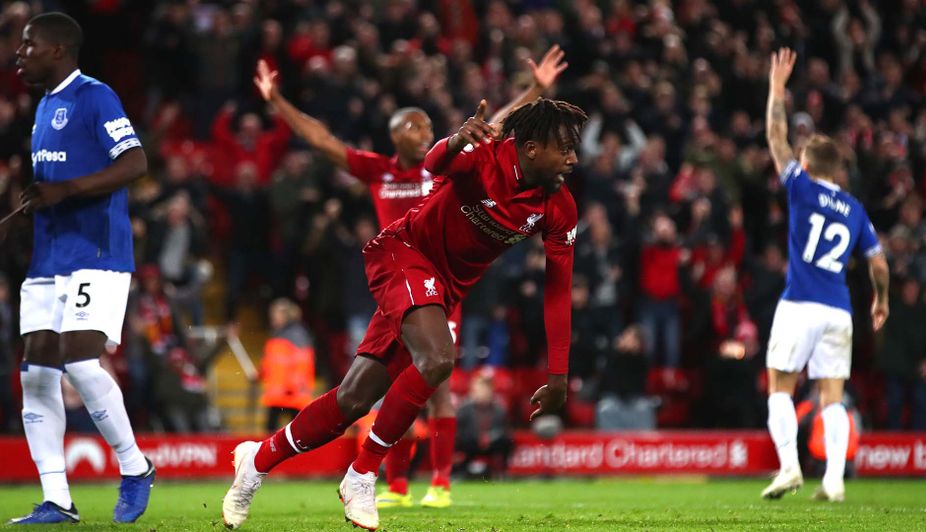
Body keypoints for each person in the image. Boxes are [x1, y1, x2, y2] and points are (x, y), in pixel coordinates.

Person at [222, 97, 587, 531]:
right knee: (437, 359)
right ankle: (362, 474)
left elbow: (557, 291)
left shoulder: (559, 207)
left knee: (351, 401)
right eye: (563, 148)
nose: (573, 158)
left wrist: (559, 374)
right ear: (531, 148)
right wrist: (453, 141)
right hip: (402, 254)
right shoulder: (484, 155)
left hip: (442, 289)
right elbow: (435, 163)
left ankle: (256, 462)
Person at [9, 12, 155, 524]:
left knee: (81, 359)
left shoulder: (94, 96)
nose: (19, 52)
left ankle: (135, 468)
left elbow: (135, 162)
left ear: (57, 50)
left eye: (28, 44)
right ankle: (57, 499)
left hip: (96, 252)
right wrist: (32, 205)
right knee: (37, 372)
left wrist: (66, 190)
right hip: (48, 255)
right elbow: (56, 183)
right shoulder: (44, 105)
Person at [760, 48, 889, 503]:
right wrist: (882, 300)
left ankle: (791, 468)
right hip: (840, 310)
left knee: (780, 384)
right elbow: (878, 261)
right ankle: (834, 480)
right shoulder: (855, 209)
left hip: (799, 303)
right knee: (833, 397)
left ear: (810, 166)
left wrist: (777, 89)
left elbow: (776, 138)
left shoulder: (800, 184)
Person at [260, 298, 315, 431]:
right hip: (278, 394)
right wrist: (259, 375)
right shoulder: (278, 335)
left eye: (275, 315)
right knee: (274, 431)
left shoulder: (297, 335)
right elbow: (271, 362)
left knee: (294, 433)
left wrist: (292, 386)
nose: (272, 318)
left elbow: (303, 363)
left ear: (285, 316)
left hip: (291, 394)